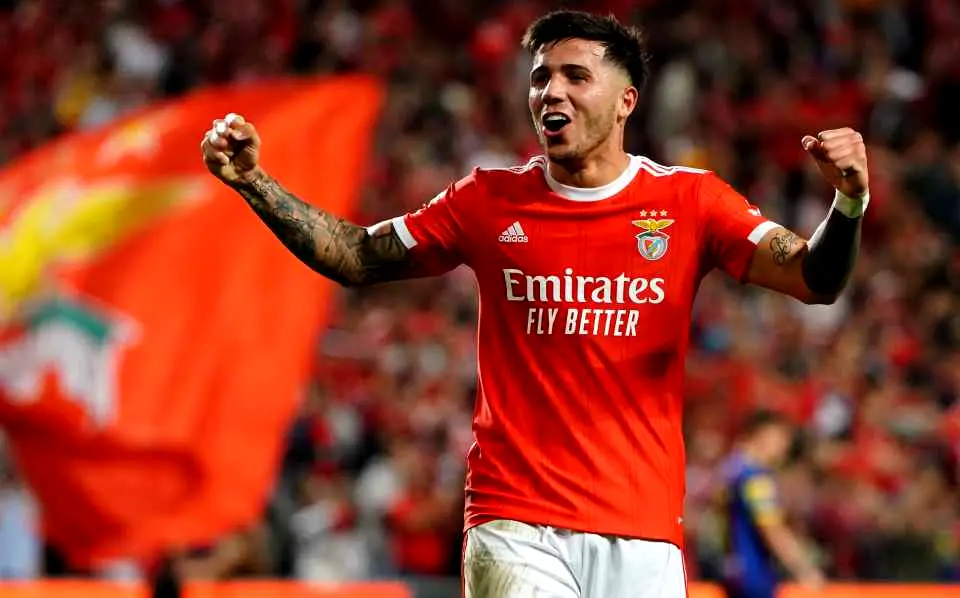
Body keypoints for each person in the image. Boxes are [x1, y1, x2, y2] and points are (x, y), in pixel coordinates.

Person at [200, 9, 868, 598]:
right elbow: (355, 256)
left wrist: (848, 201)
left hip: (643, 531)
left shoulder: (691, 201)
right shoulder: (487, 200)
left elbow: (814, 279)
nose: (552, 91)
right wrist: (256, 183)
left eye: (576, 76)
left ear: (626, 101)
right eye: (541, 77)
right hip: (516, 521)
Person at [718, 411, 824, 598]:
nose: (784, 448)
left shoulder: (730, 470)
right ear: (763, 435)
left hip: (732, 570)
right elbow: (771, 528)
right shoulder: (755, 479)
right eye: (781, 439)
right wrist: (802, 568)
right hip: (754, 575)